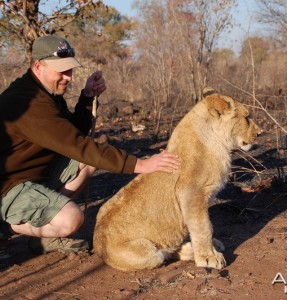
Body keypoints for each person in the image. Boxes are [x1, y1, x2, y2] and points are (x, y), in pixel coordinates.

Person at [0, 35, 180, 267]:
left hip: (33, 180)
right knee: (72, 219)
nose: (68, 77)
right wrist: (142, 164)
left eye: (70, 71)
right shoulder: (26, 103)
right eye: (61, 71)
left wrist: (86, 99)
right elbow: (78, 145)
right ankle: (3, 227)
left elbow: (70, 133)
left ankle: (42, 236)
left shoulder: (46, 92)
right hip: (7, 189)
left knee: (86, 162)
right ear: (38, 66)